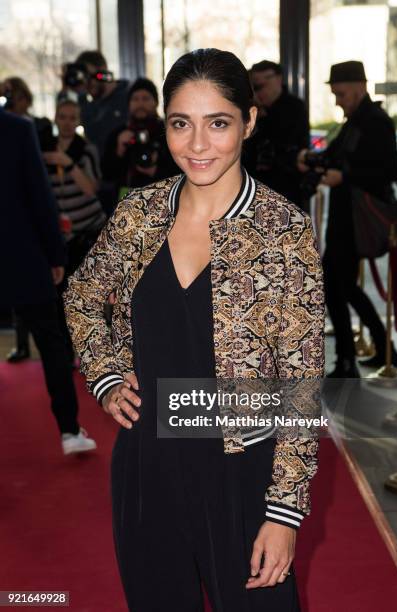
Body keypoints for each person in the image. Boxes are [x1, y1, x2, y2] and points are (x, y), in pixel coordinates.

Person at [63, 48, 325, 611]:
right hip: (146, 465)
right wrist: (106, 375)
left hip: (242, 469)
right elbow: (83, 295)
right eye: (182, 123)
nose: (198, 145)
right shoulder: (142, 213)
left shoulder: (283, 230)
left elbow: (302, 383)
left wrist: (284, 514)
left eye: (219, 123)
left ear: (249, 123)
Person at [0, 106, 96, 455]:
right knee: (52, 342)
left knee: (52, 341)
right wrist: (55, 255)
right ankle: (70, 432)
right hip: (21, 252)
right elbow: (40, 197)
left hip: (20, 252)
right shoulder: (16, 129)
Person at [298, 60, 397, 377]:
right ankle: (385, 349)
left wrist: (344, 176)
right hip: (347, 218)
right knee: (341, 284)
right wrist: (312, 160)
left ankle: (347, 359)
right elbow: (337, 155)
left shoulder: (376, 121)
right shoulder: (356, 120)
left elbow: (389, 171)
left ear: (359, 88)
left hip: (358, 218)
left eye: (341, 94)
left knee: (335, 283)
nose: (338, 101)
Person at [42, 98, 107, 362]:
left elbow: (91, 188)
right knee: (61, 297)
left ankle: (96, 353)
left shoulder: (86, 149)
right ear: (56, 119)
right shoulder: (44, 149)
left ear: (78, 121)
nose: (67, 122)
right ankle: (68, 353)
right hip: (61, 235)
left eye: (72, 117)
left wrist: (66, 162)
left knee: (89, 295)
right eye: (62, 116)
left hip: (90, 231)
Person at [1, 76, 54, 363]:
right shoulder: (17, 129)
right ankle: (21, 346)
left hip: (25, 234)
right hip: (20, 232)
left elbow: (39, 189)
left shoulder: (35, 126)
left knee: (40, 313)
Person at [243, 60, 310, 207]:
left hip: (286, 190)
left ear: (278, 79)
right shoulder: (254, 111)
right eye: (254, 87)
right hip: (257, 189)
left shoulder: (294, 108)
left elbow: (285, 144)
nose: (259, 92)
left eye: (261, 86)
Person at [102, 77, 179, 197]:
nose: (140, 104)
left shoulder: (169, 133)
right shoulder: (118, 134)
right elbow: (107, 175)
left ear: (155, 103)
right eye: (135, 99)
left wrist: (156, 171)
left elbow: (181, 173)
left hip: (163, 199)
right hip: (127, 202)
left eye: (146, 98)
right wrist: (119, 150)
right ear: (128, 104)